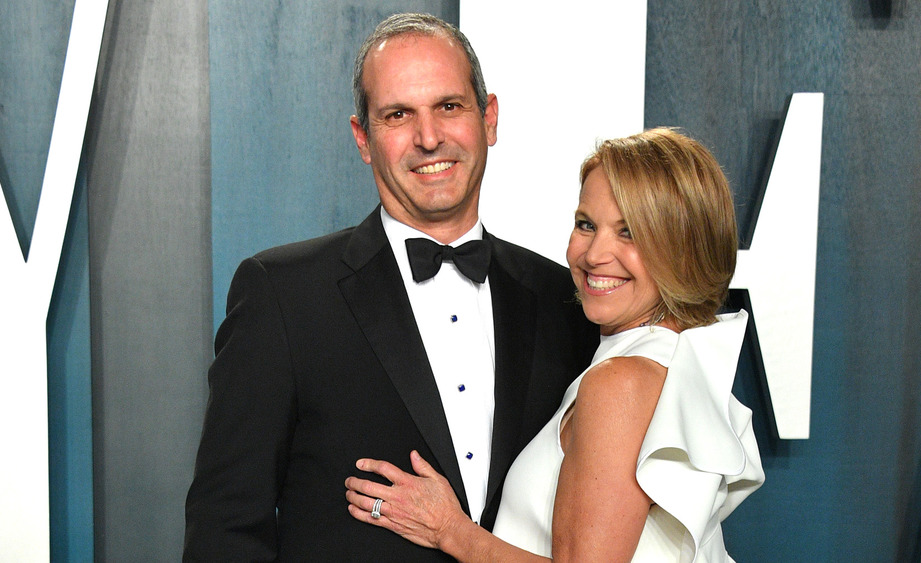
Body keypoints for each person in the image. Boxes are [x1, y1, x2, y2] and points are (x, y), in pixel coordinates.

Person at [183, 13, 597, 562]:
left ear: (489, 118)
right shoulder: (283, 295)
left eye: (449, 107)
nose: (429, 138)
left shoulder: (564, 300)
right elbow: (225, 530)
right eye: (399, 114)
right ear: (363, 138)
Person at [344, 127, 766, 562]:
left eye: (630, 233)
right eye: (586, 224)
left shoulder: (620, 382)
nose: (594, 254)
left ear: (684, 250)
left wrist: (451, 531)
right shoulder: (675, 360)